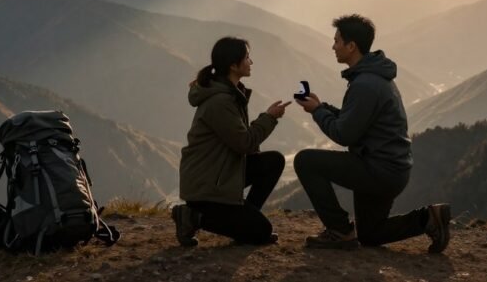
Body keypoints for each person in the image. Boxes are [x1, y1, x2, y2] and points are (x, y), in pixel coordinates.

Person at [294, 14, 450, 252]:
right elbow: (355, 119)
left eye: (337, 41)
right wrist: (322, 107)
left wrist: (317, 112)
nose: (333, 46)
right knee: (370, 234)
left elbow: (345, 135)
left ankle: (339, 231)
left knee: (305, 161)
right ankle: (428, 218)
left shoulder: (365, 84)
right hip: (390, 167)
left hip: (378, 169)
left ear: (351, 46)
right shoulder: (374, 77)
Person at [172, 36, 291, 247]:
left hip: (219, 175)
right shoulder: (220, 102)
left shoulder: (231, 93)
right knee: (262, 231)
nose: (251, 62)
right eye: (247, 58)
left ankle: (244, 220)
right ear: (233, 65)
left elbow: (243, 141)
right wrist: (270, 117)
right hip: (206, 188)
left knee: (273, 161)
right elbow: (244, 143)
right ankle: (191, 216)